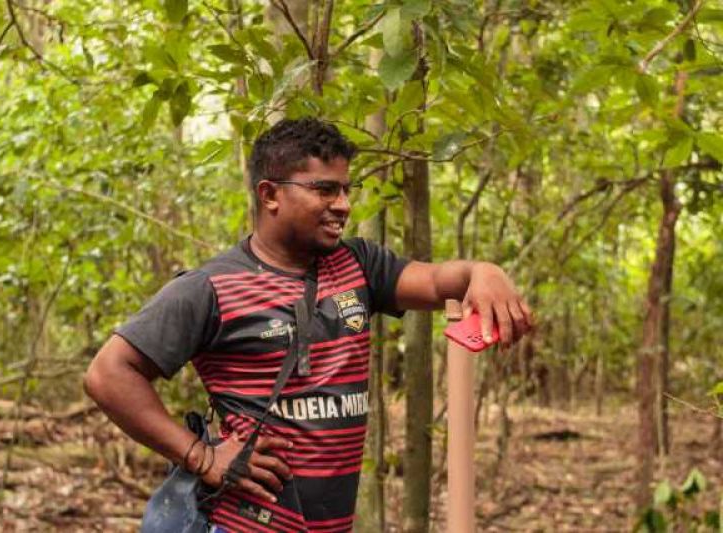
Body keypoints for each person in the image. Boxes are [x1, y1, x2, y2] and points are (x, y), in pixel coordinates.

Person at [84, 117, 532, 532]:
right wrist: (202, 455)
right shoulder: (211, 287)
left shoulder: (360, 265)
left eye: (345, 190)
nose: (343, 205)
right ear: (270, 194)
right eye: (325, 190)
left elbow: (437, 282)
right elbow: (108, 373)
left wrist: (484, 271)